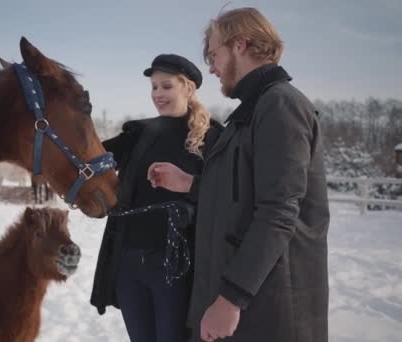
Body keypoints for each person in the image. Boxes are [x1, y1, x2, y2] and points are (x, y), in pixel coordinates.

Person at [148, 7, 330, 342]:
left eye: (213, 54)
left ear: (240, 45)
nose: (211, 67)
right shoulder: (250, 113)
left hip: (267, 312)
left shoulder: (280, 105)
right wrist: (189, 183)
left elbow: (278, 211)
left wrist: (232, 297)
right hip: (239, 305)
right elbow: (241, 196)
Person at [90, 54, 223, 342]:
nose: (158, 94)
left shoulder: (212, 138)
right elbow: (90, 156)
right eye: (154, 87)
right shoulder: (139, 133)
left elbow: (224, 197)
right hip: (128, 265)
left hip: (176, 268)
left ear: (187, 88)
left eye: (166, 86)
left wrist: (187, 203)